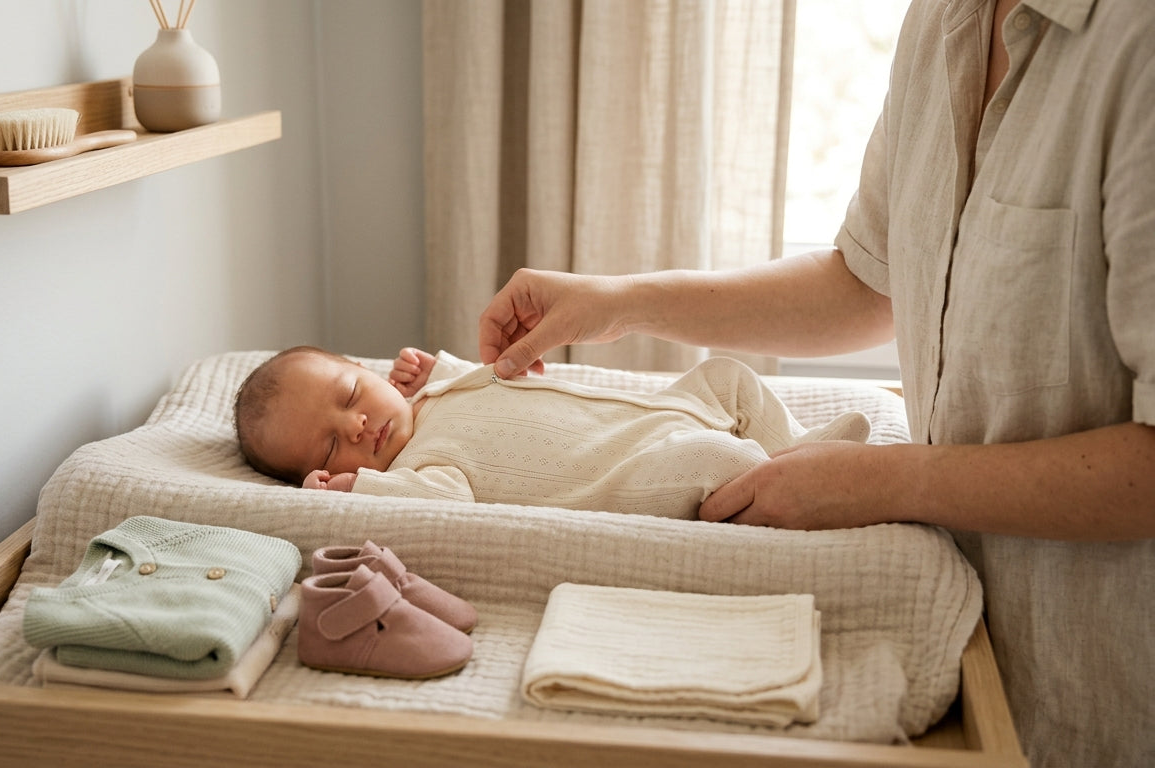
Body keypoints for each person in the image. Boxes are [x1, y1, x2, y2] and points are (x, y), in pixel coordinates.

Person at [476, 1, 1155, 765]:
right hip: (958, 655)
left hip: (1105, 691)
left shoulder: (1134, 50)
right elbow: (866, 285)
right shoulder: (942, 22)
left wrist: (892, 483)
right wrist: (623, 302)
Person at [233, 345, 869, 519]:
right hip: (633, 468)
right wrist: (355, 491)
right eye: (329, 447)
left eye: (349, 396)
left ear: (366, 373)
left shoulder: (440, 389)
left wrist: (433, 368)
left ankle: (798, 446)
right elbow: (442, 506)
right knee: (713, 455)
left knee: (727, 376)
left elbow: (494, 375)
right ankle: (791, 473)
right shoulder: (418, 471)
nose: (357, 426)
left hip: (654, 411)